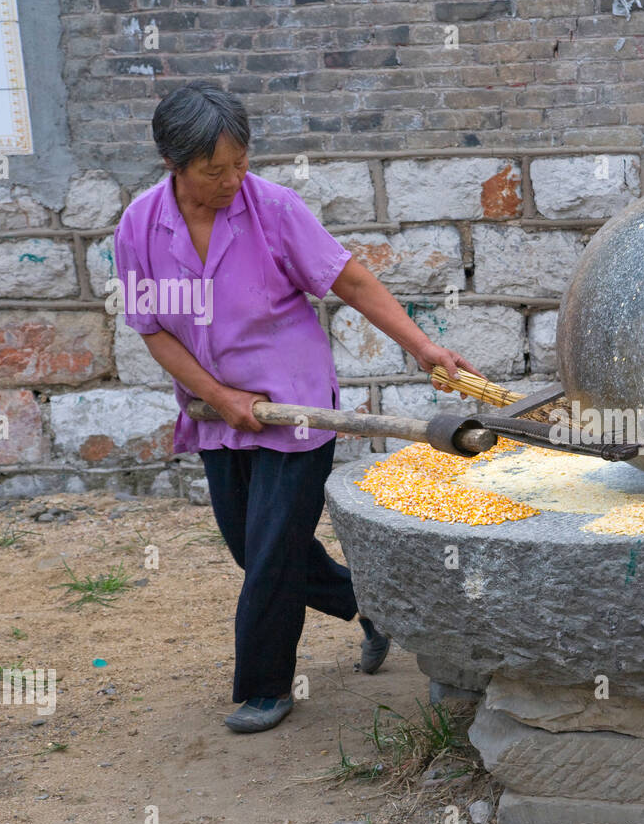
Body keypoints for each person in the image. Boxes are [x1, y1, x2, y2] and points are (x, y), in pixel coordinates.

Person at [113, 81, 480, 733]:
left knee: (274, 550)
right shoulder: (141, 226)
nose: (231, 180)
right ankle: (374, 607)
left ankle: (265, 689)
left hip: (296, 407)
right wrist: (219, 396)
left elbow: (351, 280)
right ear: (173, 165)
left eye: (241, 164)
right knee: (251, 550)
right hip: (218, 413)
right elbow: (153, 329)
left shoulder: (274, 211)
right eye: (213, 170)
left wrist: (424, 348)